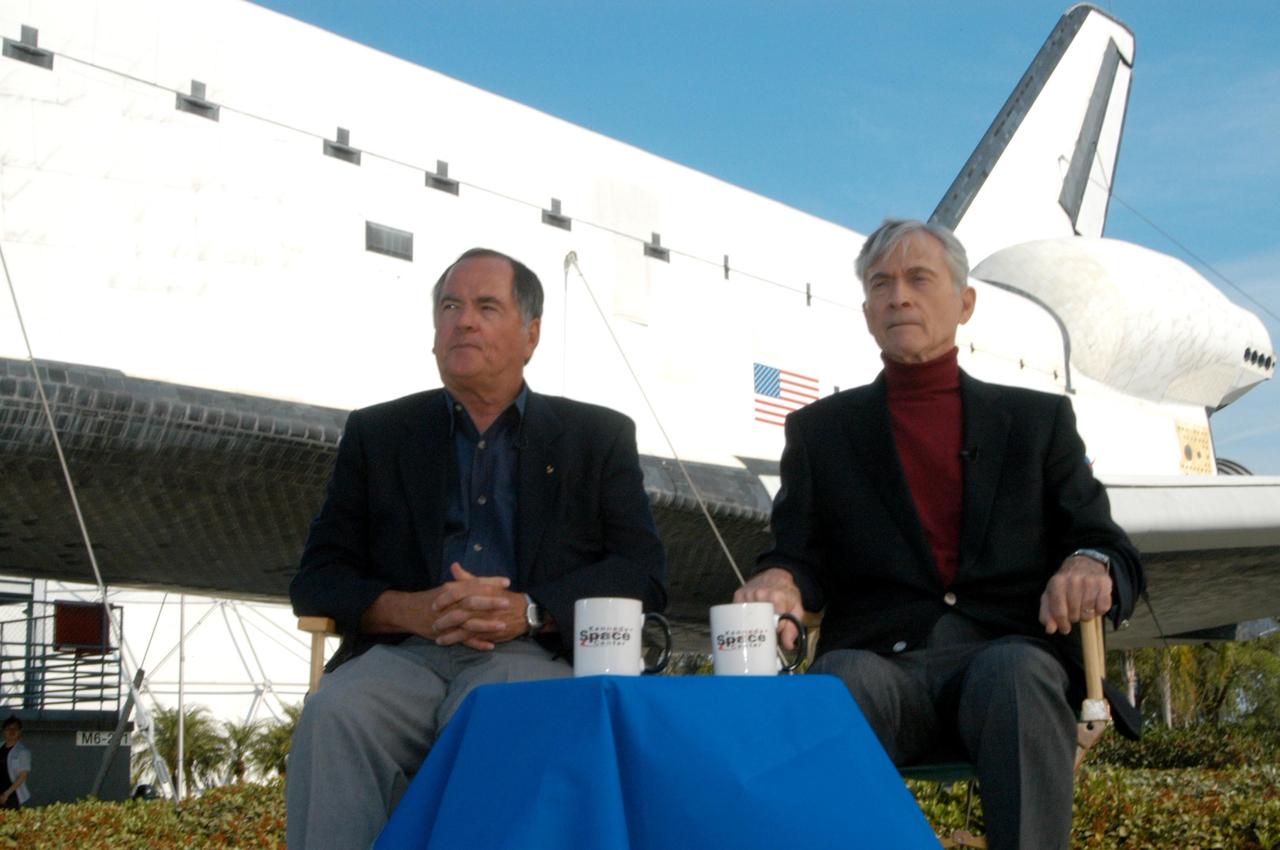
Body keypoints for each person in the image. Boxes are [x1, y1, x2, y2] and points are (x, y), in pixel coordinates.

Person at [735, 219, 1143, 850]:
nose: (899, 295)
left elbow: (1105, 540)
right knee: (835, 684)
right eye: (881, 284)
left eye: (919, 279)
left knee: (1015, 674)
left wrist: (1089, 562)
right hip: (882, 669)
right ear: (868, 311)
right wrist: (779, 578)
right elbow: (796, 555)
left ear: (965, 302)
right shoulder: (820, 433)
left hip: (1003, 662)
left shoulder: (1038, 422)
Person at [287, 247, 667, 849]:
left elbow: (641, 571)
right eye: (450, 306)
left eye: (486, 306)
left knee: (498, 712)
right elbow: (317, 577)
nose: (463, 320)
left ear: (531, 334)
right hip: (403, 656)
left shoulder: (596, 437)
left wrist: (532, 609)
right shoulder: (379, 434)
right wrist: (408, 607)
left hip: (526, 653)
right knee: (335, 715)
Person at [0, 716, 31, 809]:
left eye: (15, 729)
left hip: (11, 795)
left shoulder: (23, 752)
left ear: (20, 732)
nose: (11, 731)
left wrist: (6, 794)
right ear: (3, 731)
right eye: (8, 729)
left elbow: (23, 775)